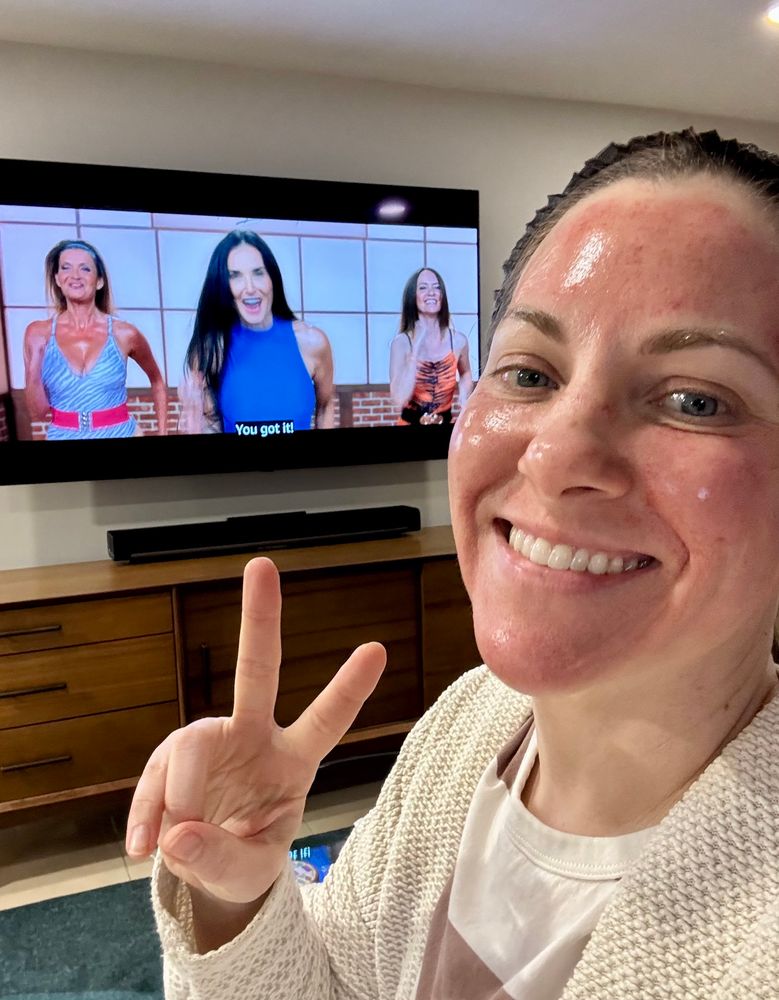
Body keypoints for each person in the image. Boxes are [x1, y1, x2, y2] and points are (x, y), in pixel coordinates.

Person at [127, 129, 779, 999]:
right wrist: (235, 904)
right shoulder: (467, 722)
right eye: (528, 373)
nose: (553, 457)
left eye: (695, 398)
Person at [179, 231, 335, 434]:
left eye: (258, 272)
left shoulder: (313, 342)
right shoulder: (211, 350)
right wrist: (194, 422)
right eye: (235, 276)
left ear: (272, 278)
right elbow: (211, 426)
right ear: (224, 286)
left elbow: (326, 405)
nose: (250, 288)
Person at [23, 239, 167, 438]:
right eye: (66, 268)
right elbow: (38, 414)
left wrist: (163, 434)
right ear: (57, 279)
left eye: (85, 269)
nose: (75, 276)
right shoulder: (37, 333)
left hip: (121, 433)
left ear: (99, 281)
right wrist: (34, 365)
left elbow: (158, 381)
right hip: (62, 435)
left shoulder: (124, 333)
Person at [389, 267, 473, 424]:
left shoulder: (459, 341)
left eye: (436, 287)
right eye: (423, 288)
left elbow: (466, 372)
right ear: (412, 296)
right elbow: (399, 397)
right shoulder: (401, 343)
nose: (431, 292)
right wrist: (416, 347)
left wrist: (464, 399)